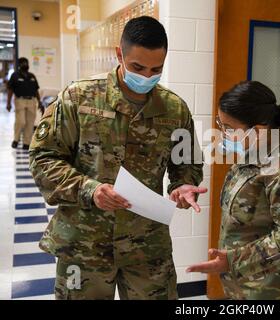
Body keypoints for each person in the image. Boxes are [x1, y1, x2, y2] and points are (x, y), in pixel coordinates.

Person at [29, 16, 205, 300]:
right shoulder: (79, 98)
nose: (146, 77)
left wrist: (182, 187)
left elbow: (186, 164)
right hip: (85, 245)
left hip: (147, 247)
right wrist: (91, 190)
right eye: (137, 67)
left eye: (156, 69)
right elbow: (43, 157)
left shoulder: (175, 110)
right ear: (119, 54)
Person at [187, 81, 280, 300]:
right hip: (250, 288)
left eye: (229, 128)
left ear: (259, 130)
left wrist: (233, 261)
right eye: (220, 124)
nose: (222, 133)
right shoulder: (256, 152)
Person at [7, 57, 44, 150]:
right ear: (19, 65)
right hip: (20, 101)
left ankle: (26, 143)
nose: (25, 65)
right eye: (23, 63)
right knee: (21, 121)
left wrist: (39, 102)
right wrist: (8, 103)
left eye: (26, 63)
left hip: (32, 101)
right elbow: (10, 90)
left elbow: (36, 90)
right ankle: (16, 139)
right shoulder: (15, 75)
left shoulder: (32, 76)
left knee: (30, 123)